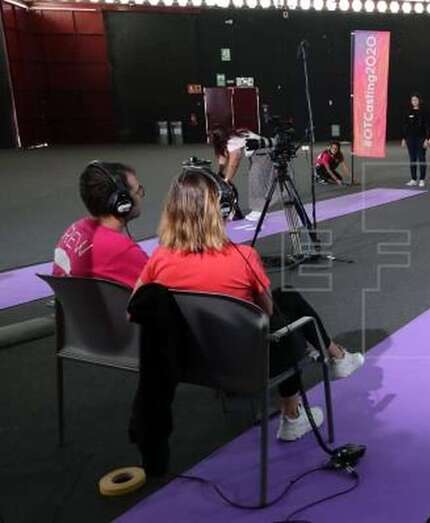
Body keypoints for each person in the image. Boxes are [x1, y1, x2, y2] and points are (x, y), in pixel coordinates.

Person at [135, 170, 364, 441]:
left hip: (188, 361)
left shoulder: (158, 259)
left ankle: (336, 357)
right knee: (283, 319)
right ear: (220, 209)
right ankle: (293, 414)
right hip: (246, 363)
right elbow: (267, 313)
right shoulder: (242, 257)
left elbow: (136, 309)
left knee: (286, 296)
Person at [53, 161, 148, 288]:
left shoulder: (75, 228)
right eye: (138, 191)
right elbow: (161, 289)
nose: (141, 196)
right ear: (122, 202)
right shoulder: (120, 249)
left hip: (81, 307)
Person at [209, 125, 271, 223]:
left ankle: (259, 211)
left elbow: (234, 163)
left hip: (264, 151)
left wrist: (227, 180)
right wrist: (219, 174)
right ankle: (260, 209)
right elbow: (223, 159)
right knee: (256, 179)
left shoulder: (232, 141)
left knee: (256, 180)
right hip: (258, 153)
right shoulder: (232, 136)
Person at [401, 94, 430, 187]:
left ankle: (422, 179)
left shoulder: (424, 112)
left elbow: (427, 126)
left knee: (421, 158)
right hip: (410, 139)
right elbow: (405, 126)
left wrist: (427, 139)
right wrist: (404, 138)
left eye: (416, 100)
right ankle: (413, 179)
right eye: (412, 100)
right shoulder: (408, 112)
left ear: (419, 100)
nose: (414, 101)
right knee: (412, 159)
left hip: (421, 138)